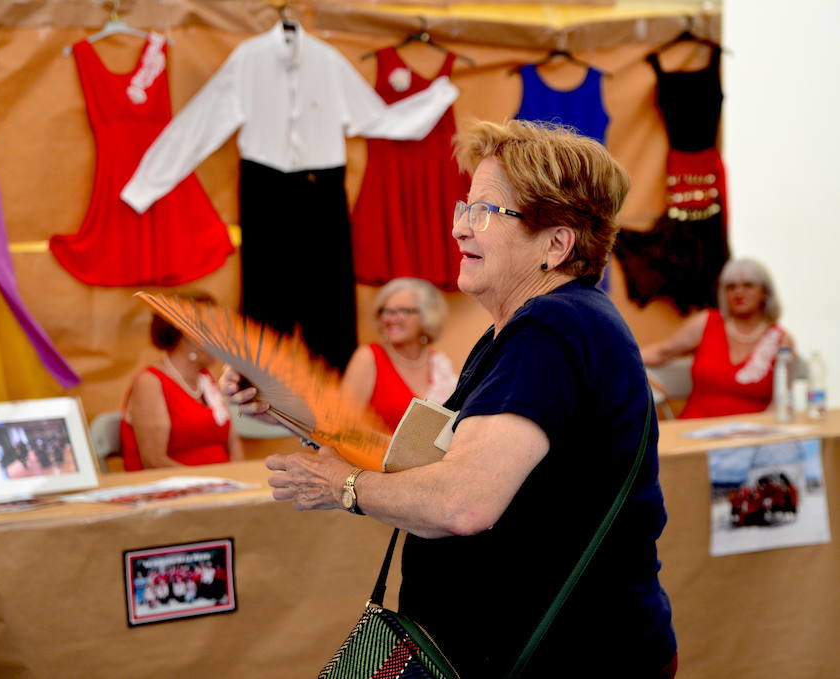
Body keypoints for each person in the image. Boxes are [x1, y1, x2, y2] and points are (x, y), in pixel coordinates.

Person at [258, 120, 677, 677]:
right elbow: (432, 465)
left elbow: (462, 503)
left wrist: (342, 486)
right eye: (464, 209)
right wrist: (292, 408)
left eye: (486, 212)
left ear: (556, 243)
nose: (459, 230)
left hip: (567, 655)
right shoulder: (529, 327)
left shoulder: (552, 329)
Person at [642, 258, 794, 418]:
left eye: (748, 285)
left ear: (765, 292)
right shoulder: (705, 323)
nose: (738, 293)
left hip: (751, 436)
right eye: (731, 287)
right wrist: (628, 363)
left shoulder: (781, 340)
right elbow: (662, 352)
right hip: (694, 433)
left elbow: (781, 402)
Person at [120, 291, 243, 470]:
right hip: (177, 490)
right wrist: (212, 485)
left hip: (222, 486)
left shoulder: (205, 379)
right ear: (189, 335)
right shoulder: (150, 382)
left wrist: (239, 477)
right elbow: (154, 461)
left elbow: (233, 443)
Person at [342, 277, 458, 430]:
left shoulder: (438, 363)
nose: (390, 318)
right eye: (386, 311)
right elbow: (342, 425)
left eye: (402, 311)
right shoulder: (369, 357)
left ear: (426, 315)